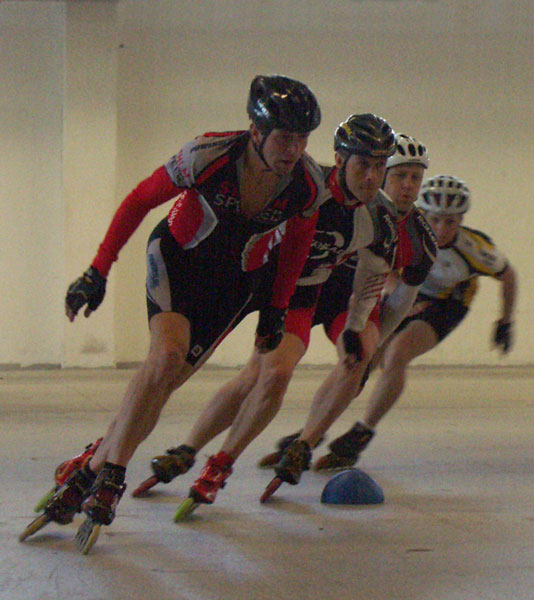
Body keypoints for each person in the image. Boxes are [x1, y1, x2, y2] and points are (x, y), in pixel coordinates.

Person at [20, 74, 324, 552]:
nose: (294, 149)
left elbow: (297, 248)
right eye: (285, 137)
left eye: (303, 138)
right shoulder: (208, 156)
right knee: (164, 360)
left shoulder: (306, 183)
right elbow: (141, 198)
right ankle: (112, 474)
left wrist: (277, 310)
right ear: (255, 130)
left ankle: (91, 464)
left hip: (235, 286)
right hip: (178, 260)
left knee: (162, 386)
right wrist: (98, 269)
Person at [133, 126, 436, 510]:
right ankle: (187, 447)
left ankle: (301, 444)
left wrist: (369, 350)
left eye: (415, 177)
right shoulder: (315, 187)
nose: (405, 186)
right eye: (399, 175)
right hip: (283, 284)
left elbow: (395, 301)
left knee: (351, 359)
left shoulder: (411, 234)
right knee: (255, 375)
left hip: (339, 297)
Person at [310, 174, 518, 471]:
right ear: (424, 215)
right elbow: (387, 267)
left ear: (462, 220)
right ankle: (313, 429)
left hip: (447, 303)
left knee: (396, 354)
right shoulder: (409, 231)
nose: (442, 229)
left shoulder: (474, 247)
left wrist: (505, 321)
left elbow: (508, 276)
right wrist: (404, 297)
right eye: (435, 220)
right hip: (408, 289)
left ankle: (362, 432)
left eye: (451, 221)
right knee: (362, 358)